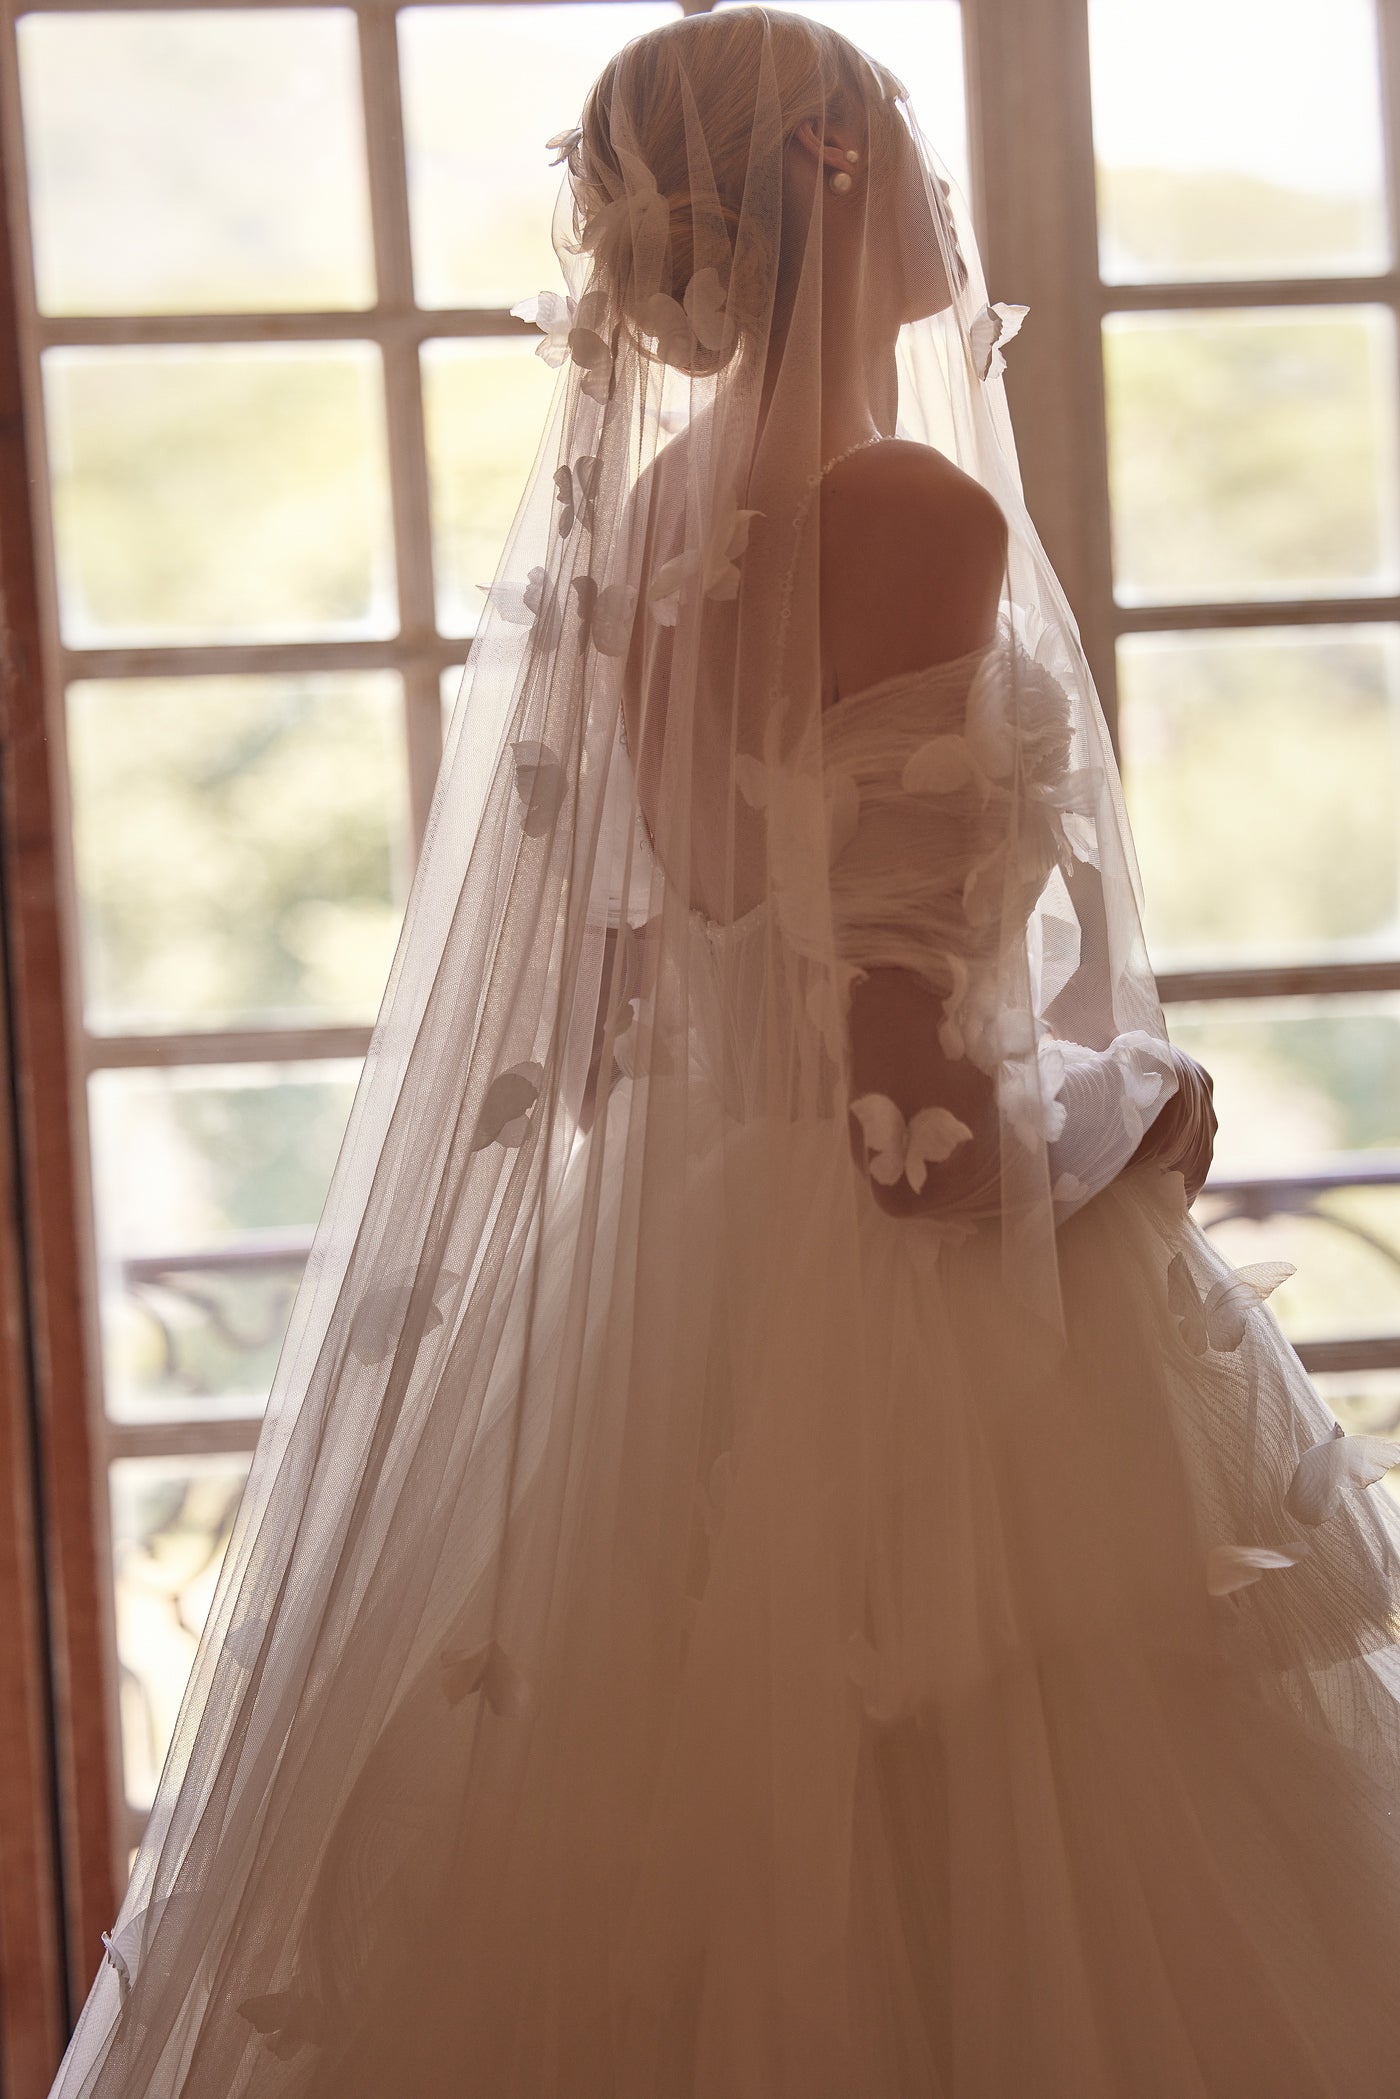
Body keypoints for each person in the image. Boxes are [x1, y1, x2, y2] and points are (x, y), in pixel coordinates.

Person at [48, 11, 1400, 2096]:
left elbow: (747, 961)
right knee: (1007, 1863)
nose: (940, 180)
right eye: (903, 132)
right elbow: (901, 1104)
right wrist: (1121, 1137)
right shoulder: (906, 508)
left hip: (681, 1251)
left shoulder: (667, 510)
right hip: (909, 1309)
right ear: (831, 171)